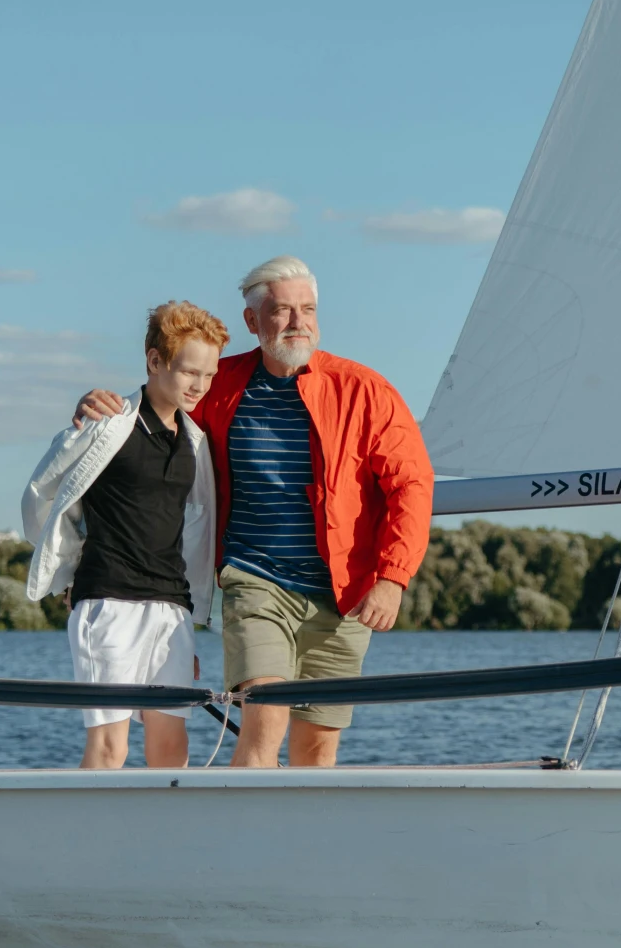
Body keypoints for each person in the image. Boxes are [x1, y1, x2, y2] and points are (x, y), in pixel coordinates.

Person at [75, 256, 431, 767]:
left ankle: (296, 847)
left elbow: (412, 486)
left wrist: (393, 577)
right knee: (265, 715)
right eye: (282, 311)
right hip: (255, 580)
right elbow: (160, 404)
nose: (297, 322)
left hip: (345, 594)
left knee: (317, 746)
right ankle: (235, 841)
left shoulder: (366, 392)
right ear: (252, 321)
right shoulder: (222, 385)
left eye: (307, 309)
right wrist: (101, 408)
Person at [26, 300, 226, 769]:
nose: (199, 385)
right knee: (108, 748)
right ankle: (89, 842)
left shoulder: (193, 441)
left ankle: (161, 840)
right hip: (109, 604)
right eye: (188, 372)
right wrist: (66, 572)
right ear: (155, 361)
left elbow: (189, 534)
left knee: (172, 746)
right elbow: (43, 495)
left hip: (170, 610)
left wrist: (187, 616)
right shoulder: (108, 424)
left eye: (209, 375)